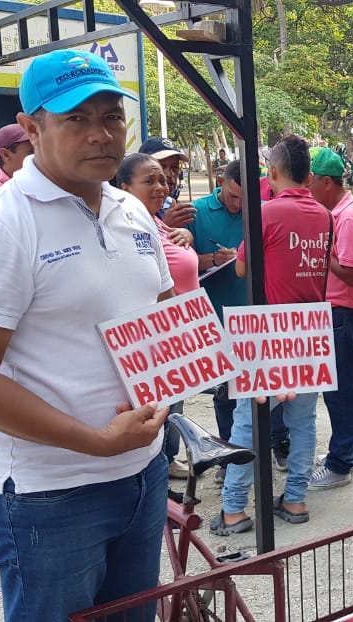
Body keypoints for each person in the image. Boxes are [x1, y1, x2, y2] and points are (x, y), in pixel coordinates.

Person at [0, 49, 171, 621]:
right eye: (77, 119)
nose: (100, 135)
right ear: (34, 128)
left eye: (111, 117)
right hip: (48, 497)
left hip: (144, 474)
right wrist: (95, 442)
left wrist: (234, 369)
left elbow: (166, 316)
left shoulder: (133, 213)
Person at [214, 135, 333, 533]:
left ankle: (233, 509)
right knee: (303, 422)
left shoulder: (265, 213)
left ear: (273, 172)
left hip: (267, 332)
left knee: (248, 422)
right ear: (310, 176)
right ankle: (296, 499)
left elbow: (244, 269)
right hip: (311, 331)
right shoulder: (325, 215)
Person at [185, 159, 290, 471]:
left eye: (243, 199)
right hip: (215, 316)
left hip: (255, 317)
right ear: (220, 182)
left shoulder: (260, 210)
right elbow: (182, 261)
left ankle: (276, 442)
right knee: (225, 393)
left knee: (266, 388)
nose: (237, 204)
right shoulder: (198, 212)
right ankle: (228, 454)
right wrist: (211, 259)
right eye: (232, 196)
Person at [117, 153, 200, 477]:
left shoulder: (157, 221)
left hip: (176, 333)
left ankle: (166, 459)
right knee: (156, 407)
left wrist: (188, 238)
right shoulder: (127, 225)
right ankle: (157, 467)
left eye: (163, 180)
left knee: (173, 403)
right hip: (152, 339)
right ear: (124, 186)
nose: (161, 187)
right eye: (149, 181)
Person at [306, 147, 353, 490]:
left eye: (311, 183)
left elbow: (348, 272)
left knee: (340, 394)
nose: (308, 191)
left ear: (326, 182)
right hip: (342, 314)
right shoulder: (342, 212)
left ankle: (340, 464)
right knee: (348, 389)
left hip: (343, 313)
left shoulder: (347, 218)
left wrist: (318, 253)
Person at [140, 135, 196, 228]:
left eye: (174, 167)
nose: (169, 174)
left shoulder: (170, 206)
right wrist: (165, 227)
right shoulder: (128, 211)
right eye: (161, 167)